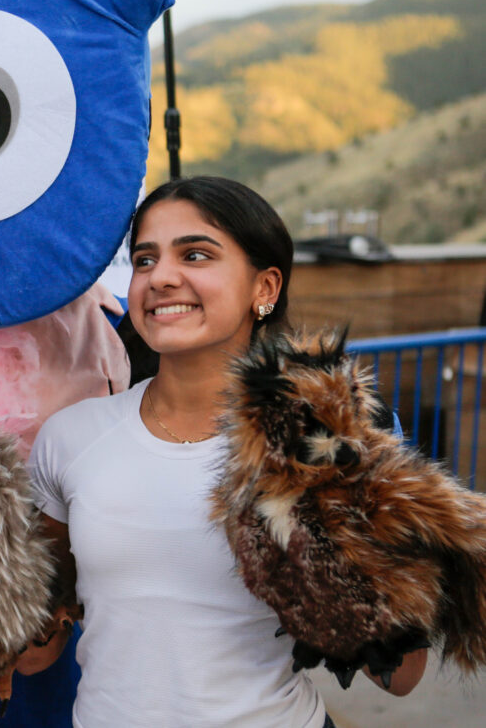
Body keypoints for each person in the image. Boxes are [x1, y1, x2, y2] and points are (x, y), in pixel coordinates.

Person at [28, 176, 427, 728]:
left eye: (195, 254)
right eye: (144, 260)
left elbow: (400, 676)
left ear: (264, 288)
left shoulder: (320, 448)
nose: (161, 278)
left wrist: (346, 540)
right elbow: (33, 653)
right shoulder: (70, 438)